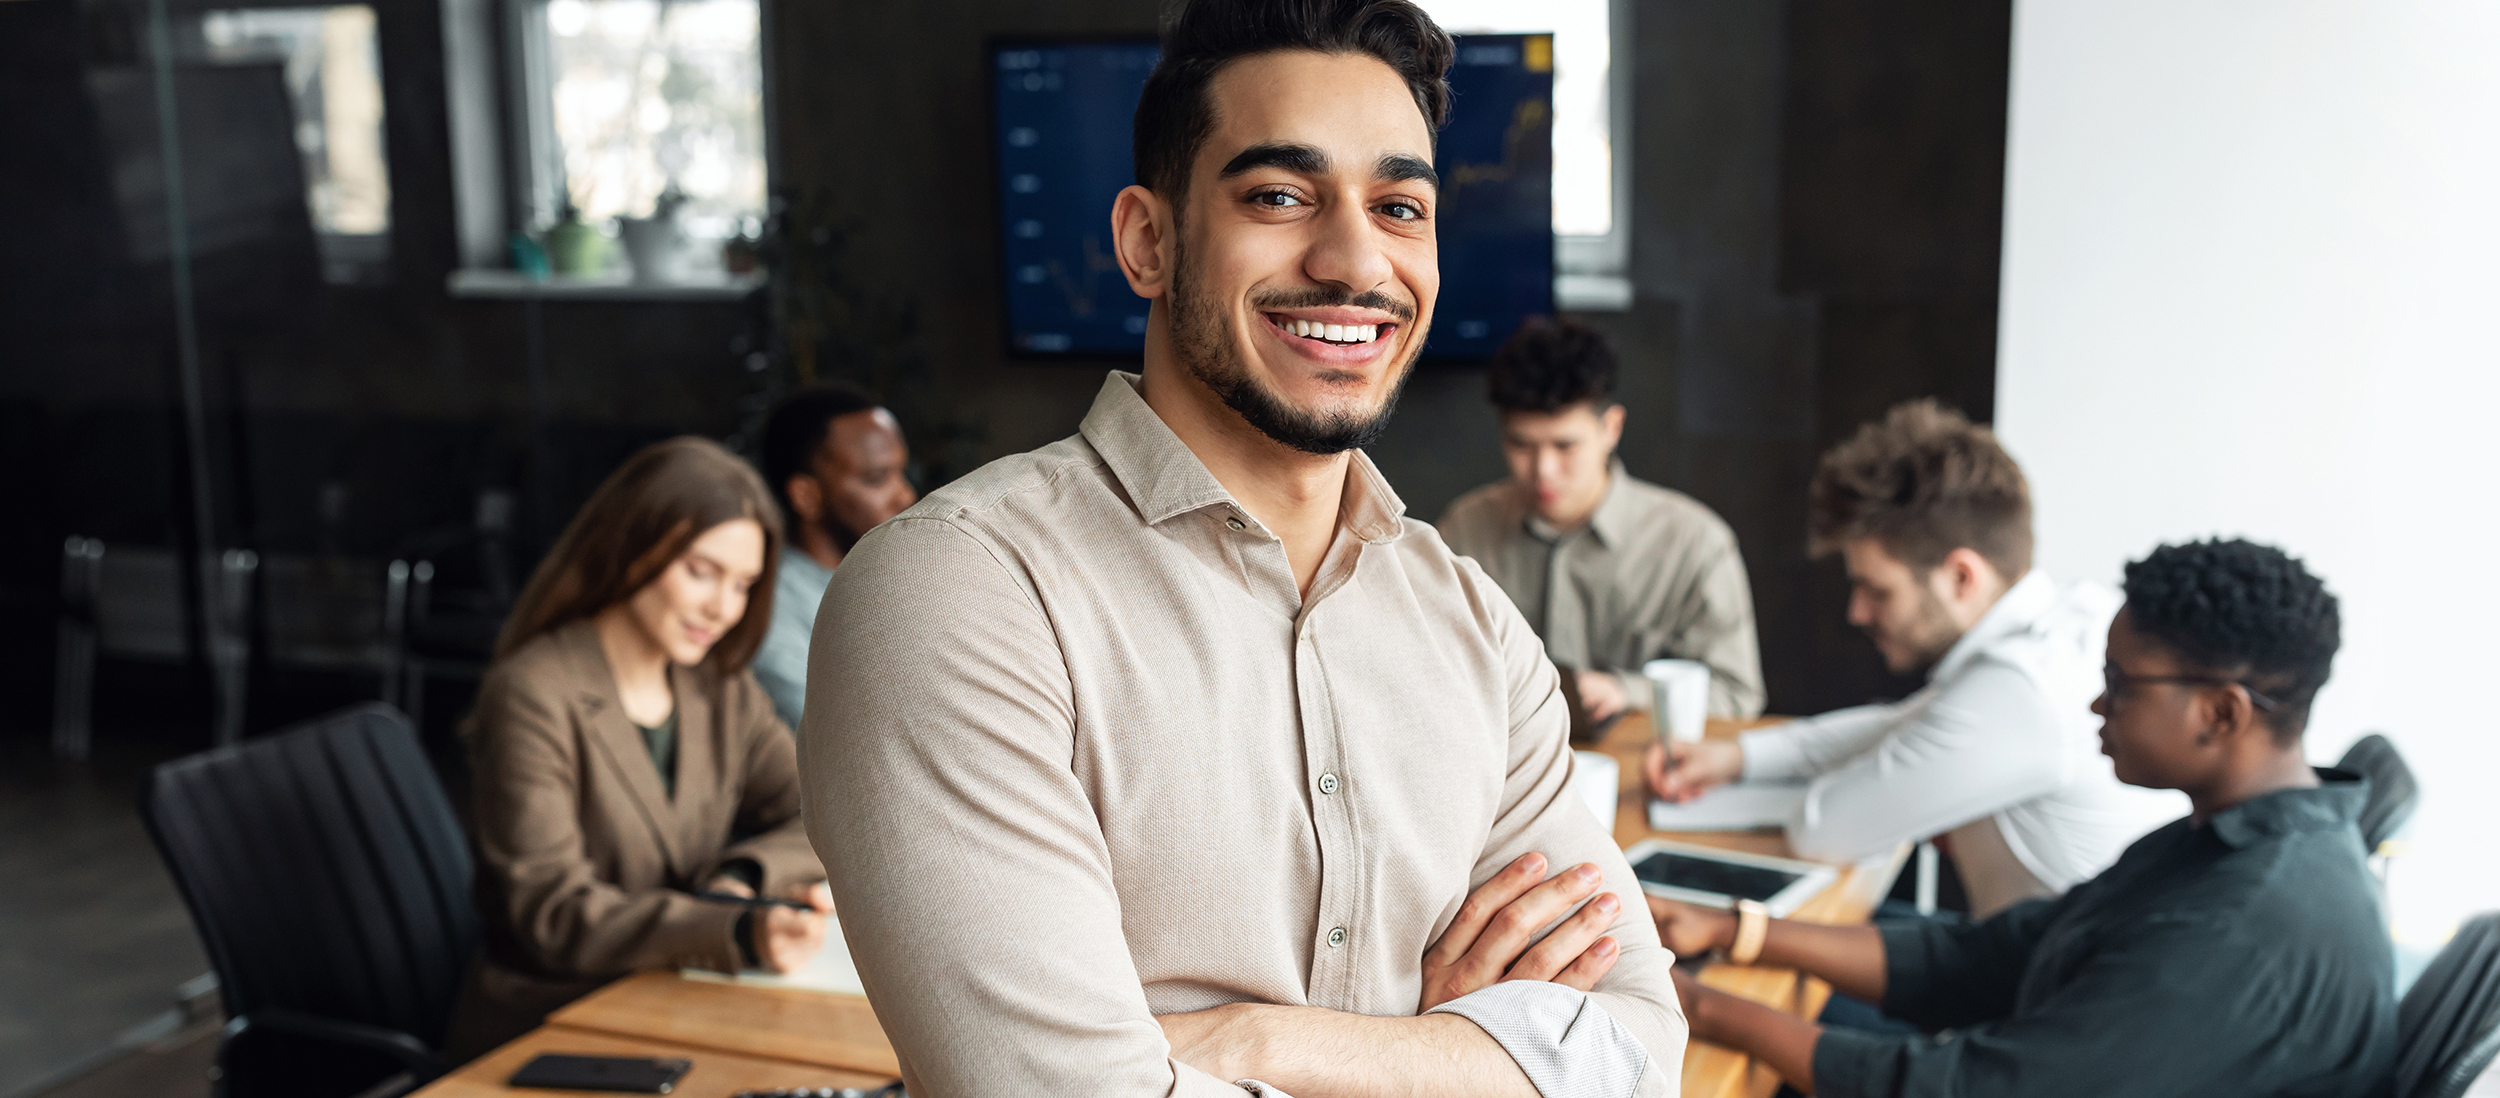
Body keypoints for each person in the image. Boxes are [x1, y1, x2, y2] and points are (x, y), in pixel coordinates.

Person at [805, 2, 1687, 1095]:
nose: (1355, 260)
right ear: (1148, 241)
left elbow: (1641, 1048)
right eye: (1279, 195)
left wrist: (1247, 1042)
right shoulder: (959, 592)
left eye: (1399, 206)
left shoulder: (1474, 627)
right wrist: (1458, 1052)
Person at [1654, 538, 2396, 1098]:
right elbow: (1998, 956)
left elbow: (1976, 1090)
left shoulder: (2242, 926)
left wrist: (1704, 1010)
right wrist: (1733, 930)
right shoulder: (2236, 835)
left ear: (2220, 712)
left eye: (2121, 684)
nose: (2098, 705)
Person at [1646, 401, 2180, 917]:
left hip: (2040, 998)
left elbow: (1824, 830)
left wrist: (1837, 791)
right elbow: (1908, 724)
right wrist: (1736, 758)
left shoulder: (2023, 690)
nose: (1856, 612)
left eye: (1877, 591)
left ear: (1960, 577)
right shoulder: (2070, 619)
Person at [445, 437, 834, 1059]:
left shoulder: (718, 685)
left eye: (742, 584)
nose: (723, 608)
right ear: (632, 547)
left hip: (681, 997)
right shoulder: (533, 692)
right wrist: (732, 927)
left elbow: (822, 808)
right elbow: (554, 913)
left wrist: (741, 877)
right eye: (701, 572)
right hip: (550, 1024)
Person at [1439, 317, 1765, 724]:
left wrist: (1625, 691)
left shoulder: (1694, 543)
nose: (1543, 471)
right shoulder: (1465, 530)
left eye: (1565, 445)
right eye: (1521, 445)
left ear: (1611, 428)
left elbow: (1736, 694)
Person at [751, 385, 918, 728]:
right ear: (806, 495)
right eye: (877, 478)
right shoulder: (772, 607)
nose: (905, 494)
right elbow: (840, 735)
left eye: (902, 472)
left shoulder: (905, 577)